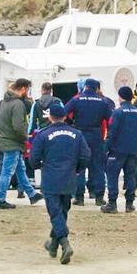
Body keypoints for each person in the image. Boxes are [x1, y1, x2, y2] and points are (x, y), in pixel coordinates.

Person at [30, 103, 90, 265]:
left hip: (50, 178)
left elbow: (34, 158)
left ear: (50, 117)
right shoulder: (77, 134)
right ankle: (53, 244)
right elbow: (85, 155)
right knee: (62, 212)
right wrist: (76, 169)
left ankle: (64, 243)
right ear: (65, 116)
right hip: (69, 179)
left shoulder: (43, 135)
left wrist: (39, 166)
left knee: (55, 213)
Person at [0, 78, 44, 209]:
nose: (27, 93)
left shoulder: (5, 102)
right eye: (27, 90)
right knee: (7, 172)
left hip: (6, 140)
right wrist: (25, 137)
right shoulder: (17, 104)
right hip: (13, 142)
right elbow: (18, 126)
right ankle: (0, 199)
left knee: (20, 170)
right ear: (23, 88)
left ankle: (32, 194)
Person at [64, 78, 113, 206]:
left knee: (79, 167)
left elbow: (63, 113)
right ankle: (99, 196)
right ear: (96, 88)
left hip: (80, 135)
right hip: (97, 136)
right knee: (97, 167)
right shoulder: (103, 102)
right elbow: (111, 121)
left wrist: (71, 124)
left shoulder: (76, 99)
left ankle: (79, 197)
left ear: (85, 87)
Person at [101, 86, 137, 214]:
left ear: (121, 97)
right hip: (132, 150)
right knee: (130, 176)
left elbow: (112, 132)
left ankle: (112, 203)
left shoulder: (118, 113)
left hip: (117, 150)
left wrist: (105, 148)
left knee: (112, 176)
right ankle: (129, 204)